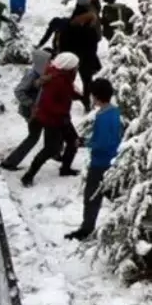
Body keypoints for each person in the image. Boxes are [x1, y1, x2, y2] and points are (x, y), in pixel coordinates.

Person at [63, 78, 121, 241]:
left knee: (91, 197)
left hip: (100, 163)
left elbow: (103, 142)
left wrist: (84, 142)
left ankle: (86, 229)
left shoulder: (103, 117)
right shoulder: (114, 112)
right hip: (111, 161)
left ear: (95, 96)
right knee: (109, 194)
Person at [20, 52, 81, 186]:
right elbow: (48, 103)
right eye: (76, 66)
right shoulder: (58, 80)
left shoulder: (62, 77)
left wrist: (77, 95)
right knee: (50, 149)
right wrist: (62, 113)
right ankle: (28, 176)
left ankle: (65, 169)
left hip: (61, 118)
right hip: (53, 120)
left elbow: (67, 92)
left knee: (73, 141)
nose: (78, 68)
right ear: (69, 67)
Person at [1, 47, 53, 169]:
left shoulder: (43, 74)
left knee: (50, 132)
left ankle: (55, 152)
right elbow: (19, 91)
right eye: (49, 60)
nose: (51, 63)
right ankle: (10, 162)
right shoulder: (32, 75)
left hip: (39, 110)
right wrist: (31, 104)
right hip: (31, 111)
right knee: (33, 137)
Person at [60, 8, 102, 112]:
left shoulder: (68, 28)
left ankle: (63, 102)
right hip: (86, 60)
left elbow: (62, 44)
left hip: (69, 60)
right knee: (87, 82)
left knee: (65, 82)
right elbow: (93, 48)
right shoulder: (90, 31)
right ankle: (87, 103)